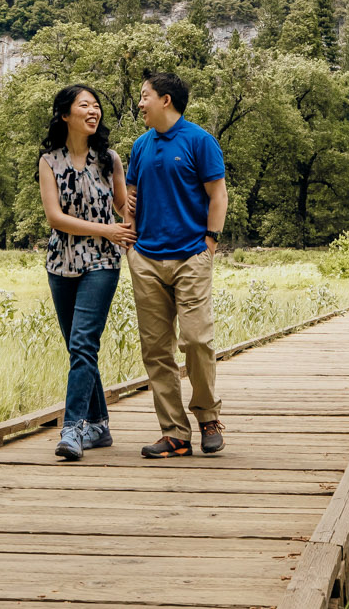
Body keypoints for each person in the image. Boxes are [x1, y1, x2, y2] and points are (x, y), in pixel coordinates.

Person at [125, 69, 229, 458]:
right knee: (156, 350)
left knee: (197, 340)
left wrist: (210, 242)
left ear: (165, 100)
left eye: (144, 95)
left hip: (191, 257)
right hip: (146, 259)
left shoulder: (200, 141)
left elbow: (218, 195)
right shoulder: (140, 145)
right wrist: (130, 239)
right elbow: (132, 194)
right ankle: (174, 434)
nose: (140, 103)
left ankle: (208, 417)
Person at [37, 83, 135, 462]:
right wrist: (106, 228)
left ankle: (72, 429)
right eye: (84, 106)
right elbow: (55, 218)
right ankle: (99, 424)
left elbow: (124, 207)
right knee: (78, 349)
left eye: (96, 106)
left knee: (82, 345)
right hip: (61, 263)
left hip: (102, 263)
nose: (93, 111)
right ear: (65, 115)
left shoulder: (109, 160)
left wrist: (126, 226)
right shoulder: (49, 161)